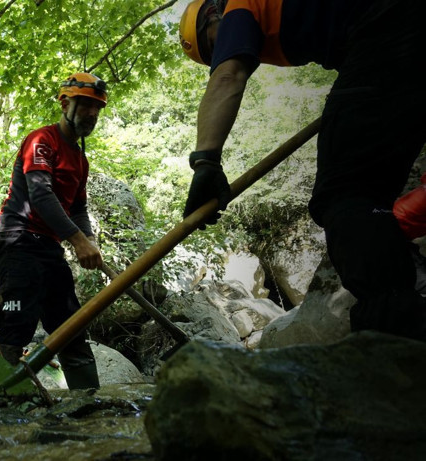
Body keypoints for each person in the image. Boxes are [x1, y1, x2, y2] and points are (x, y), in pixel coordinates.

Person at [178, 0, 426, 340]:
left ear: (212, 15)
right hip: (395, 36)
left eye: (213, 45)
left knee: (346, 193)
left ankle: (396, 334)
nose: (221, 51)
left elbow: (228, 74)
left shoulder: (239, 6)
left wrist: (205, 161)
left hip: (392, 25)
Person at [0, 72, 106, 390]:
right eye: (86, 106)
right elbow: (40, 194)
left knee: (71, 326)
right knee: (18, 319)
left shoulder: (80, 160)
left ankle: (91, 406)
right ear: (65, 103)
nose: (93, 114)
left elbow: (78, 208)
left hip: (49, 249)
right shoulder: (42, 140)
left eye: (98, 108)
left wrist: (90, 240)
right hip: (16, 243)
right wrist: (78, 241)